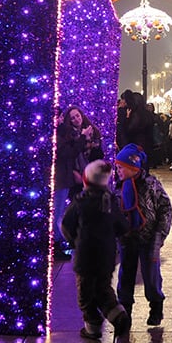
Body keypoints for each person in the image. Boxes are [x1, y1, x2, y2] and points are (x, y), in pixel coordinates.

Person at [60, 159, 132, 340]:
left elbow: (66, 225)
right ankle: (118, 315)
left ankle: (92, 327)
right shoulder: (111, 202)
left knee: (85, 293)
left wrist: (73, 241)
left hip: (85, 256)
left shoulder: (80, 202)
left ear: (85, 180)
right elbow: (122, 226)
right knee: (103, 288)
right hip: (106, 255)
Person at [115, 143, 172, 326]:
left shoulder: (151, 184)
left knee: (151, 274)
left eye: (121, 167)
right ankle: (125, 311)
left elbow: (165, 208)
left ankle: (156, 305)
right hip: (127, 238)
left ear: (133, 167)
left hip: (149, 238)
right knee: (126, 275)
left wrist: (159, 235)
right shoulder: (119, 186)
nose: (118, 171)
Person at [53, 105, 102, 259]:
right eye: (71, 117)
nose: (76, 119)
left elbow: (98, 154)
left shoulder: (91, 130)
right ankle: (62, 243)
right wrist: (82, 138)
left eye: (77, 115)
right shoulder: (65, 133)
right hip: (71, 177)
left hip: (89, 176)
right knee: (61, 213)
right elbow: (70, 153)